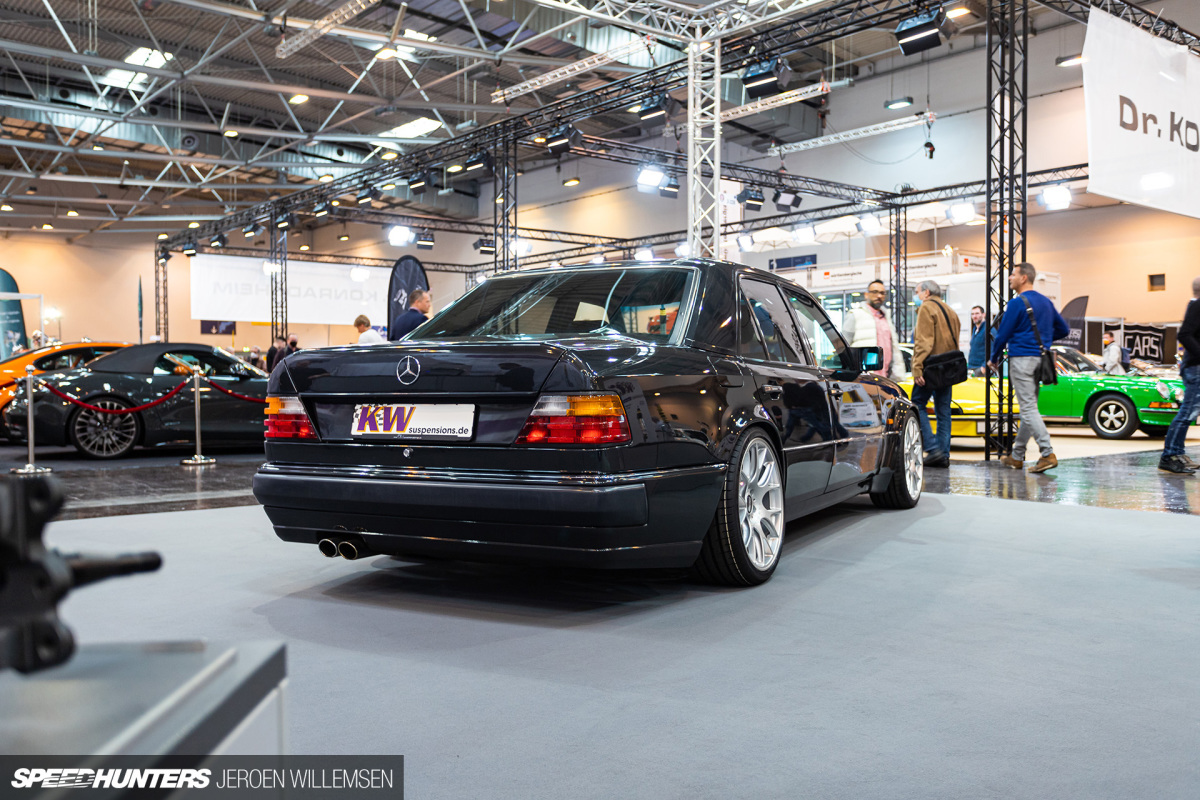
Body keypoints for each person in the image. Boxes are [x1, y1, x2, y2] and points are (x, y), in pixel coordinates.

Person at [987, 262, 1070, 474]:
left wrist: (994, 358)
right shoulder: (1045, 302)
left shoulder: (1016, 303)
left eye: (1013, 274)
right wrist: (1044, 340)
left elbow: (1003, 333)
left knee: (1028, 408)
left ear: (1024, 278)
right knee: (1029, 406)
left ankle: (1047, 453)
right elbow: (1064, 329)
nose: (1010, 278)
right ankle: (1017, 456)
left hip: (1021, 359)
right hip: (1040, 360)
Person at [910, 280, 960, 468]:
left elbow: (924, 342)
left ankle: (932, 449)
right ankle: (943, 454)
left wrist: (917, 368)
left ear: (927, 292)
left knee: (917, 404)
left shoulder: (926, 308)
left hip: (930, 368)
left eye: (917, 292)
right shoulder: (951, 311)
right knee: (943, 411)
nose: (916, 296)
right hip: (948, 369)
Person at [1158, 276, 1200, 474]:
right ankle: (1169, 456)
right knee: (1187, 413)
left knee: (1189, 412)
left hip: (1194, 366)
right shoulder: (1197, 305)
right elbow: (1184, 334)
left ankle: (1177, 453)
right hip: (1195, 367)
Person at [842, 280, 905, 379]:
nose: (879, 296)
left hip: (885, 377)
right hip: (863, 377)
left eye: (882, 293)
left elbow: (893, 348)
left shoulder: (886, 317)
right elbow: (843, 346)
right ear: (866, 295)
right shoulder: (855, 314)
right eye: (875, 292)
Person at [967, 305, 995, 376]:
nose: (974, 316)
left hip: (981, 369)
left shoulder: (989, 329)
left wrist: (984, 367)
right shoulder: (975, 330)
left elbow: (993, 349)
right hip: (971, 368)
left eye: (977, 313)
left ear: (983, 314)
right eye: (972, 314)